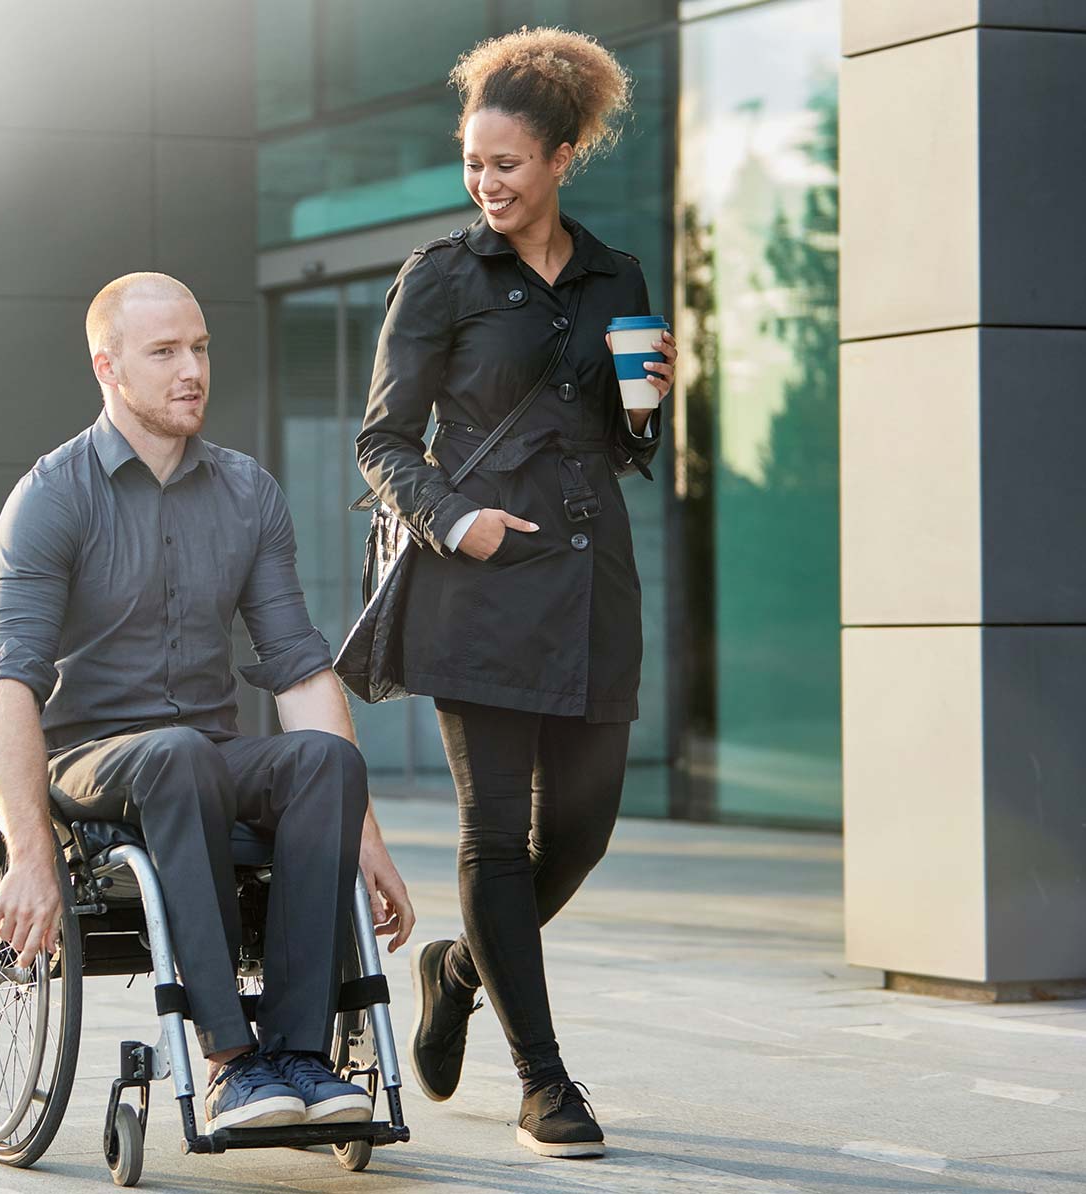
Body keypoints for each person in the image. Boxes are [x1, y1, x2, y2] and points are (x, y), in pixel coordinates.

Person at [0, 272, 415, 1133]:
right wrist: (29, 850)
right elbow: (9, 684)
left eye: (202, 348)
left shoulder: (249, 492)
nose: (193, 370)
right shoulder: (52, 496)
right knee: (175, 752)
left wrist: (365, 839)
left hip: (203, 757)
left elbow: (298, 672)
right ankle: (230, 1060)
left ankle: (298, 1057)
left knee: (326, 761)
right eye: (166, 351)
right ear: (108, 367)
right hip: (91, 764)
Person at [353, 28, 678, 1159]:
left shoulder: (618, 277)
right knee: (496, 836)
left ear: (562, 156)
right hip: (478, 584)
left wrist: (647, 407)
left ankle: (457, 967)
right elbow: (383, 441)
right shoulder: (441, 277)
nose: (487, 184)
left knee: (578, 836)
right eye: (473, 163)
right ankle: (546, 1081)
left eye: (509, 164)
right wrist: (456, 520)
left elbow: (629, 447)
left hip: (593, 584)